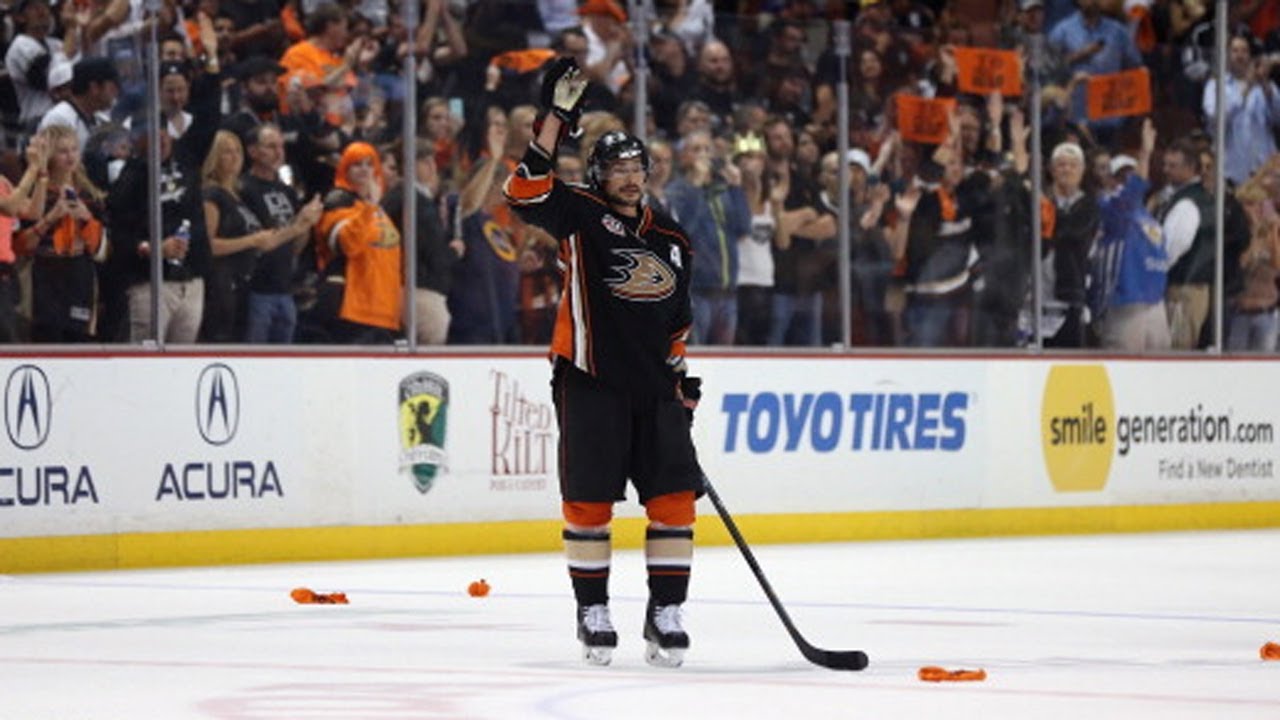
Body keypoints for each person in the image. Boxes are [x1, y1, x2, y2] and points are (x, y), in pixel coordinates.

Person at [504, 57, 704, 668]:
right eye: (617, 168)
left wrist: (680, 380)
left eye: (636, 166)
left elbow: (678, 319)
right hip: (590, 381)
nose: (629, 176)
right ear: (597, 174)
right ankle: (593, 609)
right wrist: (555, 121)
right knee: (589, 501)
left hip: (654, 389)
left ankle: (664, 612)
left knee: (674, 499)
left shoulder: (671, 238)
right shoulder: (579, 214)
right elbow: (522, 192)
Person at [16, 126, 107, 342]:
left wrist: (87, 220)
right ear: (49, 156)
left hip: (79, 279)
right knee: (45, 339)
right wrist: (50, 218)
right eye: (62, 151)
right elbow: (20, 247)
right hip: (42, 278)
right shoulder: (35, 194)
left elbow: (102, 251)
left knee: (78, 343)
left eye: (74, 149)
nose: (70, 156)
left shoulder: (90, 196)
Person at [311, 141, 403, 343]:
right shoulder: (337, 203)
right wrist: (370, 206)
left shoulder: (377, 209)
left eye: (370, 164)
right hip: (352, 310)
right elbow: (348, 245)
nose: (365, 169)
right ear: (345, 168)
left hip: (385, 312)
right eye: (357, 164)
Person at [239, 123, 323, 343]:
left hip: (284, 289)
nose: (279, 152)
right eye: (271, 146)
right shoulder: (243, 188)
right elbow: (256, 241)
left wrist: (306, 223)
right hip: (256, 289)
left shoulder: (287, 191)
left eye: (281, 146)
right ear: (252, 151)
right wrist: (297, 226)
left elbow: (295, 246)